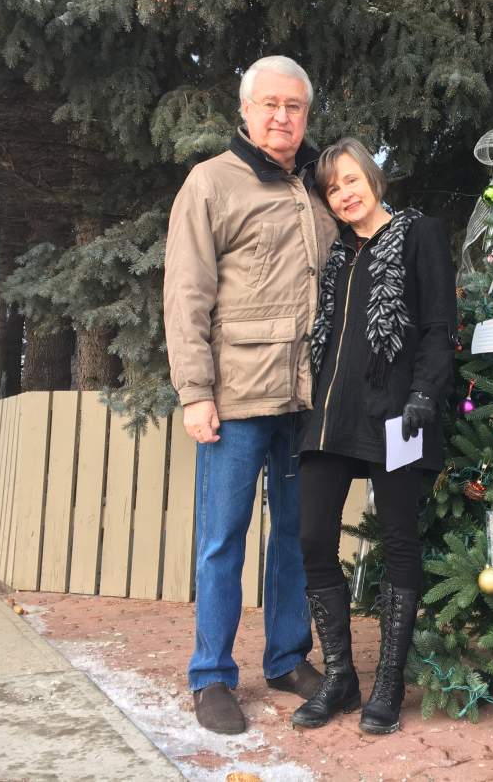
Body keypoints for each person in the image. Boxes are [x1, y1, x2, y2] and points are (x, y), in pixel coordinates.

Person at [164, 56, 338, 735]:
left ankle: (288, 658)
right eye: (269, 104)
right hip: (235, 399)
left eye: (294, 106)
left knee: (297, 537)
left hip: (306, 399)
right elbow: (187, 294)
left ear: (306, 114)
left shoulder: (320, 187)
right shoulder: (210, 184)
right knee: (222, 540)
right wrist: (194, 391)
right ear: (244, 111)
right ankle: (211, 675)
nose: (281, 117)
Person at [291, 138, 456, 734]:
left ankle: (388, 683)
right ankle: (341, 677)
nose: (344, 194)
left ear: (373, 178)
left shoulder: (419, 235)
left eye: (351, 179)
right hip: (333, 417)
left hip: (397, 414)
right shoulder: (338, 256)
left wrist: (423, 394)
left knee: (397, 540)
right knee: (311, 537)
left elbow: (440, 326)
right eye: (332, 188)